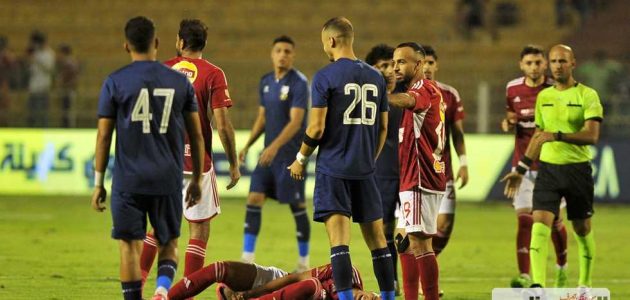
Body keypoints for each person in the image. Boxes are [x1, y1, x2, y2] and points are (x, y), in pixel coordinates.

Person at [90, 16, 205, 300]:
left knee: (129, 245)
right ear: (156, 43)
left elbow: (104, 137)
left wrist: (98, 182)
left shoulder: (115, 81)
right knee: (169, 242)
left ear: (126, 45)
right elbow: (198, 134)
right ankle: (163, 290)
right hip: (167, 177)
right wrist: (198, 178)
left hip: (129, 179)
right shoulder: (180, 82)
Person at [287, 17, 395, 300]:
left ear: (332, 41)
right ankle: (389, 297)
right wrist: (368, 157)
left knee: (339, 243)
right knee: (379, 242)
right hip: (365, 170)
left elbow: (316, 127)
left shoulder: (325, 76)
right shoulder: (376, 77)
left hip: (334, 169)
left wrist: (300, 158)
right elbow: (383, 127)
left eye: (325, 42)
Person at [138, 19, 241, 297]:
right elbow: (222, 124)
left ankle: (137, 286)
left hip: (161, 160)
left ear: (180, 42)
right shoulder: (213, 74)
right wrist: (233, 163)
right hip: (195, 164)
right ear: (203, 44)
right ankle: (184, 293)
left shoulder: (160, 69)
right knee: (198, 230)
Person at [502, 44, 603, 289]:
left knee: (581, 228)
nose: (558, 65)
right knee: (538, 223)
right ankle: (537, 286)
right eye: (555, 61)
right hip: (548, 170)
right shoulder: (544, 97)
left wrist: (557, 135)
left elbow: (591, 136)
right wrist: (521, 170)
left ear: (572, 63)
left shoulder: (587, 95)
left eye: (562, 61)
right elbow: (539, 135)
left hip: (577, 170)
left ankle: (584, 283)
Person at [238, 35, 310, 271]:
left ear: (293, 55)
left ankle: (303, 262)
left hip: (290, 157)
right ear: (272, 54)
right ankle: (247, 259)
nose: (283, 54)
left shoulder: (299, 83)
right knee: (254, 198)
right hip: (267, 155)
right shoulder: (266, 81)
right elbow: (262, 118)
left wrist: (274, 147)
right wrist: (248, 145)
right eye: (279, 50)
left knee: (297, 206)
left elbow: (296, 122)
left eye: (287, 51)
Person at [502, 45, 569, 288]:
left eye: (538, 63)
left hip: (551, 166)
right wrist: (508, 123)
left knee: (553, 222)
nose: (534, 67)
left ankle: (562, 267)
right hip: (522, 167)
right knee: (524, 220)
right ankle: (525, 275)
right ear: (521, 65)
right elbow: (511, 115)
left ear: (544, 64)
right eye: (529, 63)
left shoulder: (554, 89)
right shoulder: (512, 88)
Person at [387, 42, 445, 300]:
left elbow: (409, 101)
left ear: (418, 65)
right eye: (394, 61)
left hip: (420, 178)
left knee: (420, 244)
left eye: (402, 61)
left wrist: (378, 96)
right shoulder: (424, 89)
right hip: (414, 176)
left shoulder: (422, 89)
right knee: (405, 243)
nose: (396, 66)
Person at [421, 45, 468, 256]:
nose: (427, 67)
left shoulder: (449, 94)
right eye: (422, 63)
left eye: (431, 63)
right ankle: (422, 274)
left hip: (443, 170)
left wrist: (464, 163)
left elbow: (457, 133)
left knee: (444, 224)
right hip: (416, 172)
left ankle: (428, 263)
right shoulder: (407, 95)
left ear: (436, 65)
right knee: (415, 227)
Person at [364, 43, 401, 295]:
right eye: (381, 66)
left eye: (391, 65)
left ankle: (412, 281)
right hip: (382, 173)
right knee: (385, 230)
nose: (388, 71)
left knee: (413, 232)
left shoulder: (410, 96)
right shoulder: (369, 100)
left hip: (411, 173)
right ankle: (392, 281)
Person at [26, 30, 55, 127]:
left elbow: (49, 69)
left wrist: (37, 61)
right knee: (32, 112)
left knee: (43, 112)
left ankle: (44, 129)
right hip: (33, 86)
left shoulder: (49, 54)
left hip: (43, 87)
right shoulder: (35, 53)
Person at [56, 44, 79, 128]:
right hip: (68, 89)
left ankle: (68, 127)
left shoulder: (69, 62)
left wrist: (62, 82)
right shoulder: (70, 61)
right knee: (66, 110)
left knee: (68, 111)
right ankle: (67, 126)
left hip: (68, 89)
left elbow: (69, 77)